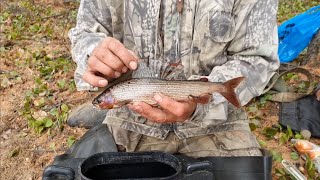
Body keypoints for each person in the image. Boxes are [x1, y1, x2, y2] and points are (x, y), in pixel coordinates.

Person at [67, 0, 279, 158]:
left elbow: (257, 58)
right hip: (129, 122)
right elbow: (85, 34)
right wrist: (93, 53)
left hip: (219, 123)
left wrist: (205, 103)